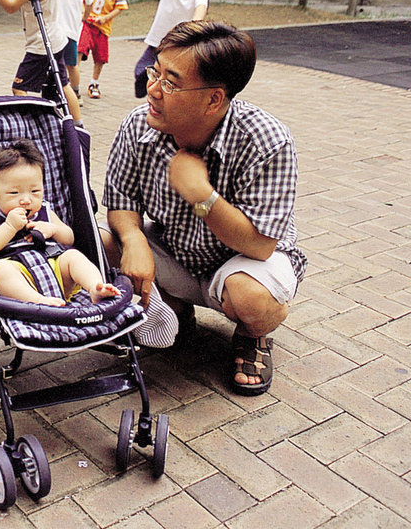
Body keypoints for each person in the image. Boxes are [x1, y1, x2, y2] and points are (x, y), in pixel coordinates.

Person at [102, 20, 307, 396]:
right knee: (101, 243)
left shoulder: (267, 140)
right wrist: (133, 240)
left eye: (170, 82)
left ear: (214, 99)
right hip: (177, 251)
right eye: (155, 72)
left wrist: (203, 197)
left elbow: (260, 245)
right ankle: (175, 313)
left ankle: (252, 334)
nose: (153, 90)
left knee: (251, 298)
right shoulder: (138, 125)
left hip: (243, 262)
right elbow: (120, 202)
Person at [0, 139, 121, 306]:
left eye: (35, 191)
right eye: (14, 193)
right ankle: (37, 301)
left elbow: (69, 238)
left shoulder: (45, 212)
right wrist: (9, 227)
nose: (26, 199)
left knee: (73, 256)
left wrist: (53, 229)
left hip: (54, 267)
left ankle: (95, 287)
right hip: (18, 273)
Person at [132, 0, 215, 98]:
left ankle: (165, 93)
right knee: (141, 69)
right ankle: (144, 83)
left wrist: (195, 25)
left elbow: (201, 5)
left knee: (171, 73)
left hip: (179, 42)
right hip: (157, 40)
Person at [77, 0, 128, 100]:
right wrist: (83, 13)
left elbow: (120, 7)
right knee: (79, 49)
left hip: (103, 28)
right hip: (87, 24)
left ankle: (94, 82)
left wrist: (105, 18)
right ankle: (73, 82)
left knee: (100, 58)